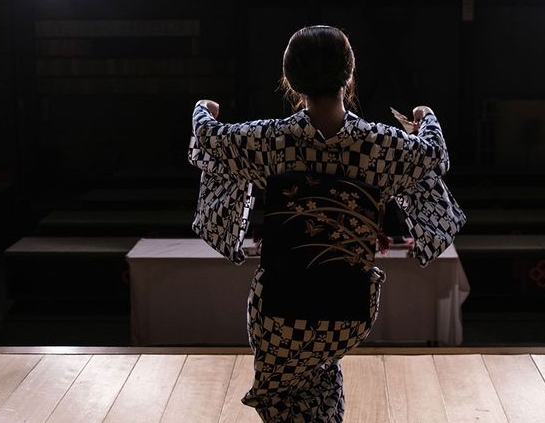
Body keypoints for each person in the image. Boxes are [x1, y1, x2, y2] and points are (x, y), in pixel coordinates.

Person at [189, 24, 465, 423]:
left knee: (281, 401)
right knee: (322, 375)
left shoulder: (269, 141)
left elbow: (208, 136)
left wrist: (204, 106)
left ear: (290, 79)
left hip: (281, 313)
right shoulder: (379, 145)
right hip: (349, 310)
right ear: (348, 76)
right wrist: (425, 117)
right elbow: (433, 153)